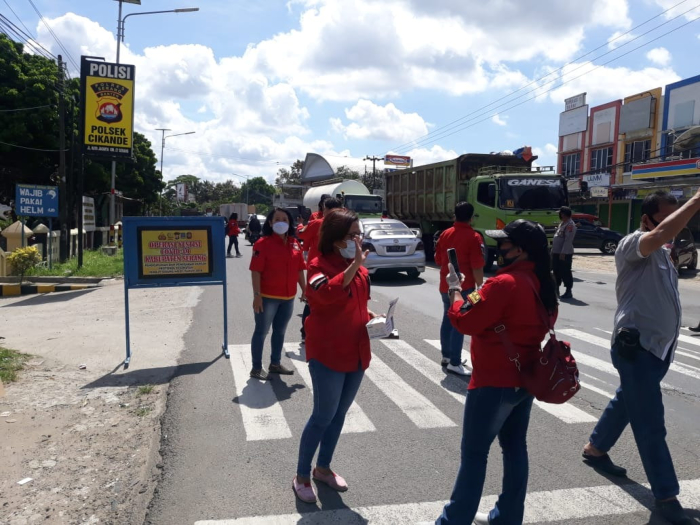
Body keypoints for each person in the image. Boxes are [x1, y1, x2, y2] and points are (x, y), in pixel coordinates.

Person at [582, 190, 700, 525]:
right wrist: (697, 200)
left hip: (656, 349)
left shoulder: (664, 252)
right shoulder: (632, 244)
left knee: (626, 399)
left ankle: (595, 449)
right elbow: (661, 234)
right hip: (636, 349)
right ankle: (666, 497)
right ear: (647, 219)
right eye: (667, 218)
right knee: (650, 423)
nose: (674, 228)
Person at [436, 219, 558, 525]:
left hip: (493, 380)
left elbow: (464, 319)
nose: (498, 247)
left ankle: (454, 520)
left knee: (475, 456)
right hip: (524, 379)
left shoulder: (502, 283)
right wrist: (469, 292)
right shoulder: (541, 281)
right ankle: (508, 517)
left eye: (504, 243)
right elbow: (480, 303)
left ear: (520, 249)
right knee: (515, 448)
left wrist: (454, 290)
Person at [293, 208, 381, 504]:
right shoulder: (317, 265)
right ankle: (302, 475)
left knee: (339, 415)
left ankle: (323, 468)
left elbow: (356, 304)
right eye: (351, 235)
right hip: (328, 352)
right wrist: (354, 265)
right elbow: (324, 295)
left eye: (359, 234)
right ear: (334, 238)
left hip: (356, 351)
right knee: (322, 416)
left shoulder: (359, 269)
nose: (358, 240)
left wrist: (374, 317)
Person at [249, 208, 306, 380]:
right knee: (261, 332)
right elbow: (256, 271)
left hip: (288, 298)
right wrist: (257, 295)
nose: (281, 222)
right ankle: (256, 368)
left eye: (285, 219)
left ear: (290, 223)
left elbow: (299, 270)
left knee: (280, 332)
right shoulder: (262, 244)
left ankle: (275, 363)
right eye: (277, 219)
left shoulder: (295, 243)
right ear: (270, 223)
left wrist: (305, 289)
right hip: (267, 298)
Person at [434, 202, 485, 376]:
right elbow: (477, 266)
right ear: (472, 217)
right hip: (465, 287)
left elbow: (438, 260)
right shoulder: (474, 237)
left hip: (445, 284)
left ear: (454, 215)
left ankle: (447, 356)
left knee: (448, 318)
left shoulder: (445, 234)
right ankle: (455, 361)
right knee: (460, 322)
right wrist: (480, 287)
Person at [297, 198, 344, 343]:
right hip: (338, 267)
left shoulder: (317, 223)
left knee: (312, 300)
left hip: (317, 267)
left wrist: (300, 224)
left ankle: (306, 333)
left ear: (325, 209)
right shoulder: (345, 224)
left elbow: (301, 234)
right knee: (336, 298)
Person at [552, 206, 577, 299]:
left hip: (564, 253)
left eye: (561, 213)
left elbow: (568, 240)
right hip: (556, 252)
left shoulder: (570, 225)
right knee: (556, 270)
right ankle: (556, 289)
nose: (560, 215)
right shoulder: (562, 223)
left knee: (565, 271)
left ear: (564, 214)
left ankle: (568, 291)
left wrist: (563, 252)